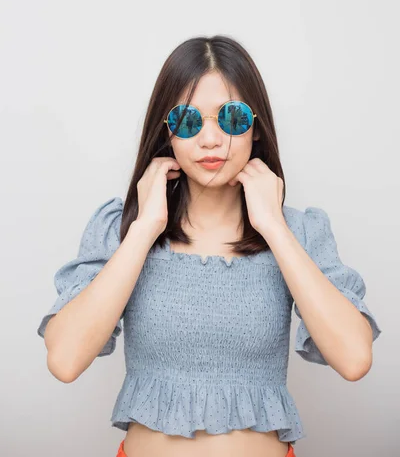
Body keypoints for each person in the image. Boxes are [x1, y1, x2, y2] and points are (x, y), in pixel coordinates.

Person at [37, 35, 382, 457]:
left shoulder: (298, 231)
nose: (211, 139)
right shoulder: (123, 227)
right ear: (167, 133)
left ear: (256, 129)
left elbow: (353, 359)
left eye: (232, 118)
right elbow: (65, 360)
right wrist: (146, 228)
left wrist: (273, 226)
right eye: (188, 121)